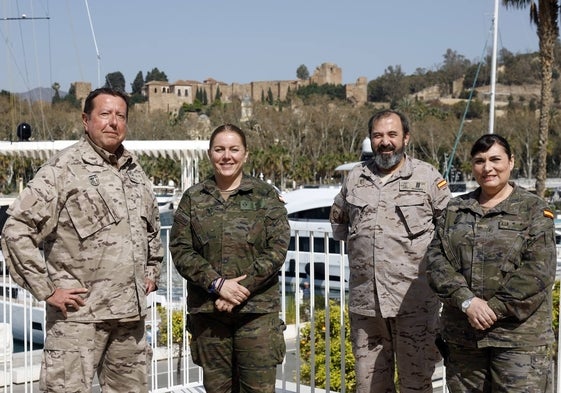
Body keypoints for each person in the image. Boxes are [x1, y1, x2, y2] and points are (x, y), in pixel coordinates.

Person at [1, 87, 163, 393]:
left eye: (120, 116)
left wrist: (152, 272)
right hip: (77, 321)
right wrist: (46, 289)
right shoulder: (61, 170)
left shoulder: (135, 172)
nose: (113, 122)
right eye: (104, 114)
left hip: (130, 323)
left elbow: (151, 229)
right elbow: (16, 229)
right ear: (85, 120)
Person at [329, 109, 451, 393]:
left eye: (392, 134)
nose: (385, 142)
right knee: (369, 386)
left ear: (405, 137)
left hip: (414, 304)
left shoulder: (428, 177)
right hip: (366, 307)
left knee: (416, 384)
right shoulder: (354, 178)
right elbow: (340, 223)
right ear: (371, 139)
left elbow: (450, 233)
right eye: (378, 135)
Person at [425, 134, 556, 392]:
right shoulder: (455, 209)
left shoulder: (534, 210)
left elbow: (538, 271)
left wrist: (493, 309)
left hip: (517, 342)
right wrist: (467, 302)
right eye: (479, 161)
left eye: (495, 159)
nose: (488, 168)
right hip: (464, 340)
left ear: (511, 162)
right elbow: (435, 261)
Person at [169, 123, 290, 393]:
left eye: (234, 149)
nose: (227, 156)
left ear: (245, 154)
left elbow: (278, 247)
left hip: (256, 314)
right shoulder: (193, 198)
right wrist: (218, 285)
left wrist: (242, 288)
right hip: (210, 314)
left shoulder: (264, 196)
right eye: (219, 149)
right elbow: (180, 249)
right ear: (210, 153)